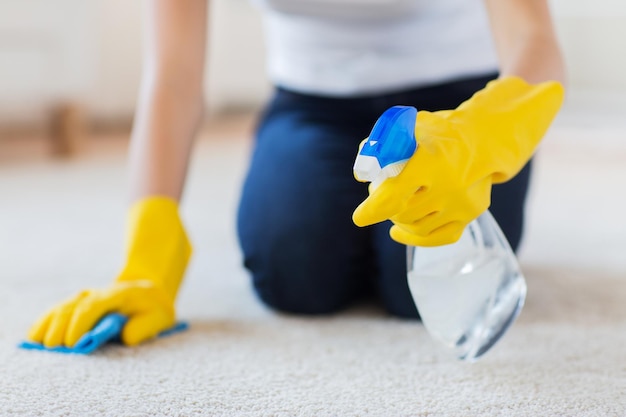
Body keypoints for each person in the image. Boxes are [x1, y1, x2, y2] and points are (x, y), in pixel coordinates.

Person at [27, 0, 565, 348]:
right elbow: (173, 72)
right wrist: (146, 256)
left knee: (419, 295)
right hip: (314, 103)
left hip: (462, 108)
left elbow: (535, 41)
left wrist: (483, 135)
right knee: (295, 273)